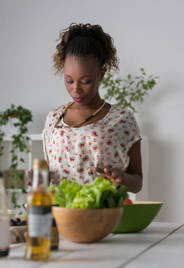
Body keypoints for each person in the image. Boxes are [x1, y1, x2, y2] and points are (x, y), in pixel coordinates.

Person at [42, 23, 143, 193]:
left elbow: (137, 182)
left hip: (103, 215)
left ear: (101, 74)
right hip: (60, 215)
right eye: (69, 80)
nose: (76, 89)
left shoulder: (122, 120)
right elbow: (50, 175)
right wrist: (37, 177)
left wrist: (122, 178)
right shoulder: (54, 119)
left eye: (85, 81)